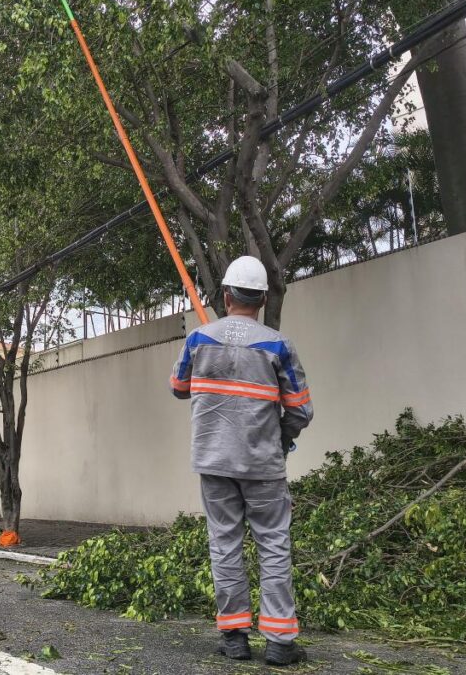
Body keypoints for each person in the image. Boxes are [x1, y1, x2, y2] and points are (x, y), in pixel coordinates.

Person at [169, 256, 313, 666]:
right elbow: (301, 410)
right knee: (273, 544)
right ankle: (280, 643)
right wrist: (280, 437)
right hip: (263, 464)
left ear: (226, 295)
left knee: (225, 544)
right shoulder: (277, 344)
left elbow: (178, 387)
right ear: (264, 298)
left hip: (214, 463)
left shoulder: (198, 339)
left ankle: (234, 638)